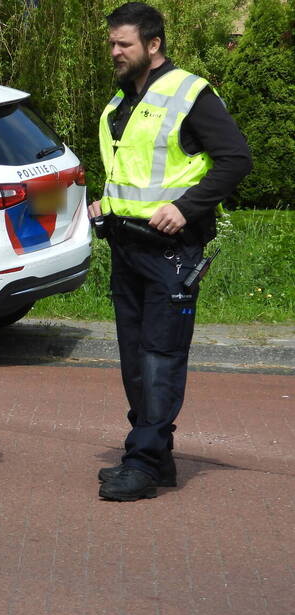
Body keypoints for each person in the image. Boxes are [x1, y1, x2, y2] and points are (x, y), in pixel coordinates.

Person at [89, 2, 251, 501]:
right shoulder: (121, 101)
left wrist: (185, 207)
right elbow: (133, 171)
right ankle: (153, 454)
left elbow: (236, 160)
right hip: (126, 246)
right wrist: (106, 203)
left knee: (160, 356)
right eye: (112, 43)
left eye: (125, 44)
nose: (115, 52)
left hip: (172, 252)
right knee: (134, 357)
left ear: (153, 45)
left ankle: (143, 459)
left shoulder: (189, 93)